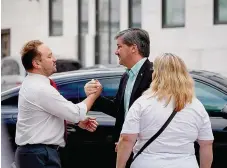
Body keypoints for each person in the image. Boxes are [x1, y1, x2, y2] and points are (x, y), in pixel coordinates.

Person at [116, 53, 214, 168]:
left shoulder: (142, 103)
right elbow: (206, 144)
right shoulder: (196, 106)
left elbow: (127, 139)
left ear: (156, 73)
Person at [15, 40, 100, 168]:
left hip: (37, 154)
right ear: (36, 63)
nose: (54, 59)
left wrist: (75, 121)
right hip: (39, 155)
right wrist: (94, 95)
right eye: (49, 56)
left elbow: (48, 114)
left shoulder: (33, 83)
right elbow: (76, 113)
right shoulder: (40, 88)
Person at [84, 28, 153, 167]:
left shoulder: (154, 75)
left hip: (146, 150)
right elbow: (119, 110)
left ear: (133, 48)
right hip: (126, 148)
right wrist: (94, 96)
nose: (116, 52)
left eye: (119, 46)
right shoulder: (126, 76)